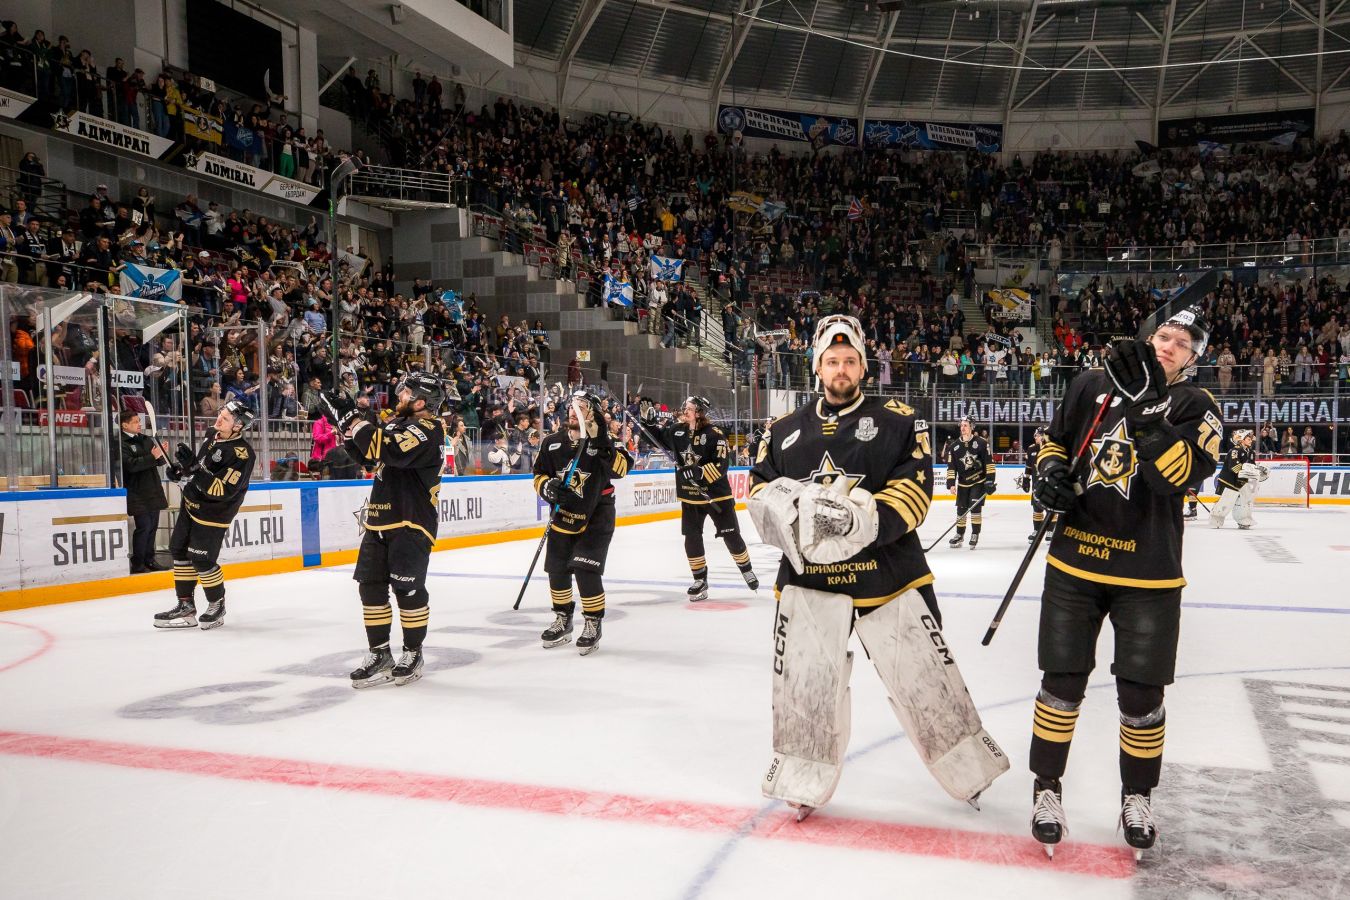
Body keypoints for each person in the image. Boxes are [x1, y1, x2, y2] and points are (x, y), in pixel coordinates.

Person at [745, 314, 1008, 820]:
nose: (841, 369)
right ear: (817, 367)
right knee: (806, 684)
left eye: (849, 361)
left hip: (890, 577)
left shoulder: (901, 420)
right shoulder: (781, 431)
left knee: (925, 679)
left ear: (863, 366)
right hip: (808, 583)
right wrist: (789, 510)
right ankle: (802, 775)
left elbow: (915, 492)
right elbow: (759, 493)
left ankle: (968, 768)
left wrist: (858, 523)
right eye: (831, 361)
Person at [1027, 303, 1222, 858]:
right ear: (1148, 336)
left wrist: (1147, 411)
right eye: (1164, 335)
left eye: (1183, 343)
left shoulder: (1198, 405)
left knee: (1141, 697)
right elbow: (1053, 441)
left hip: (1149, 575)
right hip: (1075, 564)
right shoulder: (1092, 382)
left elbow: (1176, 478)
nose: (1169, 345)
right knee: (1060, 685)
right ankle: (1045, 789)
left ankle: (1137, 797)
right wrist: (1050, 476)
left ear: (1193, 358)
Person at [341, 373, 449, 688]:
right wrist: (348, 431)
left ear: (421, 402)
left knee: (408, 589)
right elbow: (370, 458)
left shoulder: (429, 430)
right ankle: (379, 653)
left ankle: (413, 652)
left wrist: (359, 423)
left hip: (411, 521)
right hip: (379, 519)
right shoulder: (395, 426)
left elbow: (389, 449)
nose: (399, 397)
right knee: (370, 587)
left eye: (406, 393)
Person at [532, 390, 634, 655]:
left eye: (582, 408)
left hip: (596, 516)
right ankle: (563, 619)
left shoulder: (605, 444)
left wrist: (602, 442)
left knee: (586, 569)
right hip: (563, 515)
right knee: (557, 570)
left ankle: (592, 622)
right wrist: (549, 488)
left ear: (593, 414)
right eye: (571, 407)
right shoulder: (552, 442)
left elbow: (621, 470)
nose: (572, 411)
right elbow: (539, 474)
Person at [640, 395, 757, 601]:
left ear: (700, 412)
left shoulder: (714, 434)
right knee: (692, 538)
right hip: (691, 496)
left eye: (689, 408)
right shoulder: (677, 430)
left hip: (716, 496)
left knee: (731, 535)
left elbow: (722, 465)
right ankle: (700, 580)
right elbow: (656, 438)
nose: (685, 411)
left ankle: (746, 568)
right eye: (685, 407)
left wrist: (699, 472)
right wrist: (647, 423)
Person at [153, 400, 257, 630]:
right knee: (178, 551)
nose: (219, 418)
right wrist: (181, 472)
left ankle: (216, 604)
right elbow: (199, 468)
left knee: (201, 559)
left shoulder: (242, 455)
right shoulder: (213, 434)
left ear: (238, 426)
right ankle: (185, 606)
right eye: (221, 413)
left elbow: (223, 490)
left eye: (226, 418)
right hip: (191, 504)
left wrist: (196, 471)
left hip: (213, 513)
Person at [119, 409, 169, 573]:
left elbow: (159, 462)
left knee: (152, 526)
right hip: (136, 492)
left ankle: (150, 559)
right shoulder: (121, 443)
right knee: (144, 526)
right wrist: (152, 457)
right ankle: (138, 562)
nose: (139, 424)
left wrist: (162, 454)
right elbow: (130, 466)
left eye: (139, 421)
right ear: (124, 424)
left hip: (152, 489)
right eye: (135, 422)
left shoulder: (147, 439)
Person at [944, 416, 995, 548]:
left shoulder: (982, 443)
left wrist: (990, 481)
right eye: (961, 425)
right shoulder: (954, 446)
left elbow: (989, 463)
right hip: (962, 483)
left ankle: (975, 533)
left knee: (975, 508)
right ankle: (959, 534)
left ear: (972, 427)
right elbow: (951, 467)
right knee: (961, 510)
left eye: (966, 425)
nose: (963, 428)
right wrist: (951, 484)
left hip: (979, 481)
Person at [1209, 429, 1262, 530]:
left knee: (1246, 500)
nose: (1251, 440)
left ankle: (1244, 520)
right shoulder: (1235, 451)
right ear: (1241, 440)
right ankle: (1215, 519)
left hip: (1242, 481)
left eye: (1251, 438)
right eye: (1248, 438)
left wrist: (1257, 472)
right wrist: (1248, 471)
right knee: (1226, 502)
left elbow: (1252, 466)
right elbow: (1234, 467)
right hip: (1229, 481)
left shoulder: (1250, 452)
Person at [1017, 426, 1049, 543]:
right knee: (1036, 508)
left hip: (1049, 484)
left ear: (1043, 436)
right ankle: (1037, 530)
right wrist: (1026, 479)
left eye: (1037, 435)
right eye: (1035, 435)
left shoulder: (1050, 448)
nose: (1035, 437)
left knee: (1050, 508)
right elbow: (1029, 466)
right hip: (1036, 484)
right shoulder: (1031, 449)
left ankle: (1050, 531)